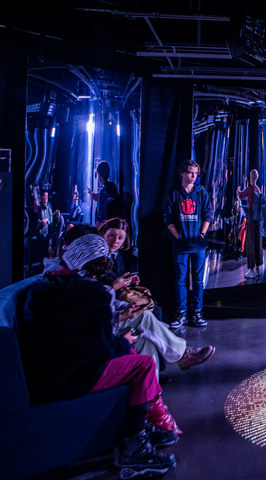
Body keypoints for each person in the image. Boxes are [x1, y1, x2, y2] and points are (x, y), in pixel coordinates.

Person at [18, 234, 180, 476]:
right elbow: (102, 350)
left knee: (136, 353)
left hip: (43, 373)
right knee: (143, 365)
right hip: (69, 377)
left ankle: (141, 427)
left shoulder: (42, 284)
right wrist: (123, 343)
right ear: (100, 264)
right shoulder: (92, 292)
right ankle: (134, 445)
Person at [99, 218, 216, 380]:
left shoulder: (115, 257)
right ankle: (181, 354)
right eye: (111, 236)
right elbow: (96, 300)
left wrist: (127, 282)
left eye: (120, 238)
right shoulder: (96, 261)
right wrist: (115, 288)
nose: (115, 242)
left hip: (113, 307)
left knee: (150, 322)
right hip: (105, 319)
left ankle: (152, 384)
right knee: (147, 318)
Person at [164, 160, 212, 329]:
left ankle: (198, 312)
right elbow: (168, 218)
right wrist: (178, 236)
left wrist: (202, 233)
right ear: (182, 173)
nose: (193, 176)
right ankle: (181, 312)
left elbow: (208, 214)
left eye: (196, 173)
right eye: (190, 172)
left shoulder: (201, 192)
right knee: (180, 280)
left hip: (198, 245)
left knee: (198, 280)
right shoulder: (174, 193)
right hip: (180, 246)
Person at [236, 169, 264, 279]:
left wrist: (237, 190)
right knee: (258, 242)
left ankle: (251, 270)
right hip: (258, 218)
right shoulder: (258, 189)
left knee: (250, 242)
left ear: (251, 177)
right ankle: (257, 269)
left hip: (251, 216)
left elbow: (241, 196)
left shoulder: (249, 189)